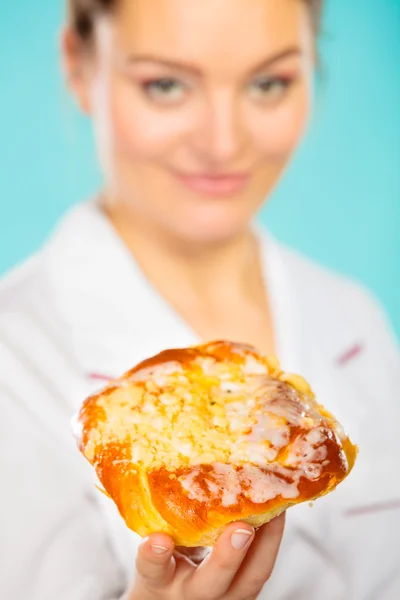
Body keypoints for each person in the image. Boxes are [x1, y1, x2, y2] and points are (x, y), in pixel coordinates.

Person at [0, 0, 399, 598]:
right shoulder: (17, 353)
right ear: (80, 66)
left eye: (269, 82)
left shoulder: (355, 316)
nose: (223, 142)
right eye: (165, 85)